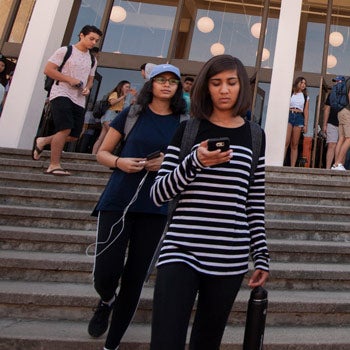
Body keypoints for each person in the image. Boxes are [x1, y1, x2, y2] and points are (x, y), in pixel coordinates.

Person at [149, 55, 269, 350]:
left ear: (242, 87)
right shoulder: (188, 131)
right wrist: (194, 162)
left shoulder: (255, 136)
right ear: (206, 87)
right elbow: (158, 194)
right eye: (216, 83)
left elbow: (254, 200)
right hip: (181, 250)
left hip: (229, 257)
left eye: (231, 82)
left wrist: (261, 254)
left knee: (207, 342)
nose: (224, 90)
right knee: (165, 342)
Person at [87, 63, 187, 350]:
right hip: (118, 200)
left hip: (156, 206)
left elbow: (188, 164)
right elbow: (103, 153)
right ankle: (106, 299)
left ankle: (112, 344)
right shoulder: (132, 114)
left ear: (179, 87)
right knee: (105, 272)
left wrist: (167, 161)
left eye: (172, 81)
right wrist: (120, 162)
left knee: (135, 279)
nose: (166, 85)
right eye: (161, 80)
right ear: (151, 84)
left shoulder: (184, 123)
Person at [31, 25, 103, 175]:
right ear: (81, 35)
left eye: (96, 40)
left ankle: (43, 141)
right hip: (61, 93)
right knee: (64, 128)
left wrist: (88, 88)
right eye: (91, 38)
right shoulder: (65, 51)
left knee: (73, 135)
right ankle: (54, 165)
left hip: (78, 98)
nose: (93, 42)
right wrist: (69, 79)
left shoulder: (91, 59)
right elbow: (48, 70)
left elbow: (90, 79)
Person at [92, 80, 136, 155]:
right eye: (126, 87)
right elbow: (112, 102)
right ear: (121, 87)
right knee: (113, 136)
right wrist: (123, 96)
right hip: (110, 116)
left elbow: (124, 108)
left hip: (115, 116)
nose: (128, 88)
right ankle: (103, 154)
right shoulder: (115, 93)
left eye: (129, 87)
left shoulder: (125, 98)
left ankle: (95, 154)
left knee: (102, 137)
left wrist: (131, 100)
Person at [284, 76, 309, 167]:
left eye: (305, 83)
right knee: (286, 141)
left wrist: (305, 125)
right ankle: (280, 162)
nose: (303, 85)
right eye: (301, 83)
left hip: (299, 117)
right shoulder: (291, 93)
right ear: (297, 83)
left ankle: (292, 166)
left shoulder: (306, 97)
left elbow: (306, 111)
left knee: (294, 144)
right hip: (290, 115)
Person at [323, 77, 343, 169]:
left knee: (342, 147)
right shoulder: (331, 95)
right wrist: (324, 124)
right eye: (335, 81)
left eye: (338, 81)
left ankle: (338, 167)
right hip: (332, 123)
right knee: (331, 145)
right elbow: (327, 110)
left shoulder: (347, 95)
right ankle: (328, 168)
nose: (336, 83)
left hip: (343, 124)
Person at [332, 77, 350, 171]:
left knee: (342, 138)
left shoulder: (346, 81)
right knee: (349, 138)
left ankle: (336, 164)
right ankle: (338, 163)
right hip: (347, 111)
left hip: (341, 111)